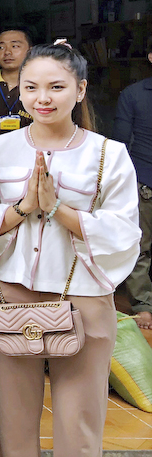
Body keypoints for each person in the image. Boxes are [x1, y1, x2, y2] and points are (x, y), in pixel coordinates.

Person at [0, 41, 139, 456]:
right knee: (12, 425)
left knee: (79, 425)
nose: (42, 98)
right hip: (12, 296)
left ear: (80, 90)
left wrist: (58, 209)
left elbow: (122, 232)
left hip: (83, 298)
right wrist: (24, 207)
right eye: (31, 87)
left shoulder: (109, 154)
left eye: (56, 87)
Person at [115, 36, 152, 328]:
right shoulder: (133, 94)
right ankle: (144, 305)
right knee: (140, 247)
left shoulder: (132, 93)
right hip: (144, 181)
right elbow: (120, 143)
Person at [0, 25, 34, 139]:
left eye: (15, 46)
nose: (7, 52)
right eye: (1, 47)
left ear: (30, 51)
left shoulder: (37, 88)